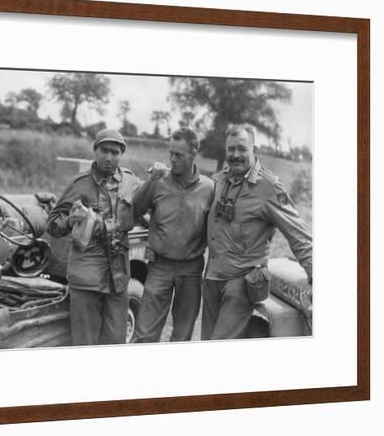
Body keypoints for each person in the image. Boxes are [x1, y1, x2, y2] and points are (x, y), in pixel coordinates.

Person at [202, 124, 313, 340]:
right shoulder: (219, 180)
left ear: (254, 150)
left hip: (241, 283)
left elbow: (298, 233)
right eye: (230, 149)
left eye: (242, 149)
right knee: (206, 340)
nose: (235, 155)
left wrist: (315, 271)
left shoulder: (268, 187)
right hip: (212, 278)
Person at [46, 129, 141, 346]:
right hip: (86, 275)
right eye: (104, 150)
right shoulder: (79, 184)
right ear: (95, 150)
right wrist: (70, 220)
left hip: (118, 276)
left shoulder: (131, 182)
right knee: (85, 343)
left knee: (116, 340)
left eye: (115, 152)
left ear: (121, 154)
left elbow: (145, 209)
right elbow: (53, 225)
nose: (109, 157)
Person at [132, 128, 214, 343]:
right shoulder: (158, 180)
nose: (173, 159)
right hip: (159, 266)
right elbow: (135, 211)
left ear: (194, 153)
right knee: (145, 334)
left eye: (179, 155)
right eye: (171, 153)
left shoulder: (209, 188)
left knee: (182, 335)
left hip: (191, 269)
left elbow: (215, 229)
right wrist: (149, 181)